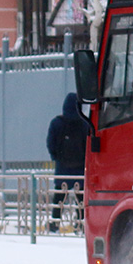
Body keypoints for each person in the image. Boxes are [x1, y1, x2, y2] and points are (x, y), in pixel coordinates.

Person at [46, 92, 89, 232]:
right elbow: (88, 146)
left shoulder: (57, 123)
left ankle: (54, 224)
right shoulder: (84, 124)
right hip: (80, 170)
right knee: (80, 200)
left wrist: (56, 157)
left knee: (59, 198)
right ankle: (80, 225)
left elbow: (50, 143)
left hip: (62, 169)